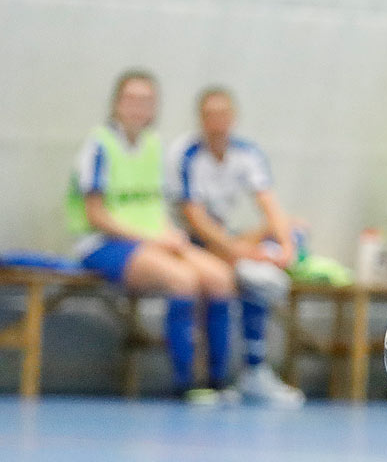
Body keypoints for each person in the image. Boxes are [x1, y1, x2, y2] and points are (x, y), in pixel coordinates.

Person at [67, 70, 240, 404]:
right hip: (104, 243)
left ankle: (219, 380)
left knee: (220, 278)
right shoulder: (99, 145)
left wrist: (170, 235)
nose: (137, 107)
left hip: (150, 239)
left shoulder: (153, 146)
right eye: (130, 99)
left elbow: (154, 205)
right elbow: (96, 214)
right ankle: (184, 383)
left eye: (145, 100)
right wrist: (148, 237)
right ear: (116, 103)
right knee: (183, 280)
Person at [169, 86, 306, 406]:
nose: (217, 122)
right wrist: (239, 251)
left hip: (227, 238)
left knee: (287, 237)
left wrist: (286, 245)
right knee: (241, 275)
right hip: (193, 241)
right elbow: (195, 219)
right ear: (200, 120)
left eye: (223, 115)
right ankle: (212, 378)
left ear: (233, 118)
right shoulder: (186, 154)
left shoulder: (247, 153)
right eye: (210, 116)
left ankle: (254, 371)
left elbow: (268, 203)